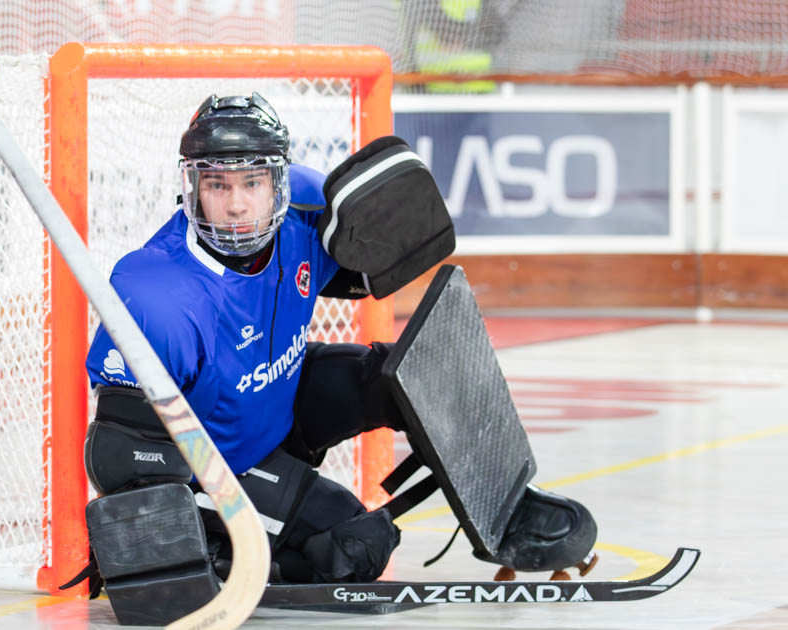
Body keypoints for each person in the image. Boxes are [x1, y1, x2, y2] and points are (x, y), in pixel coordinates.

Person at [76, 93, 596, 624]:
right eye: (217, 185)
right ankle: (231, 554)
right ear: (192, 188)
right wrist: (176, 545)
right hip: (222, 464)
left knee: (411, 376)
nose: (235, 205)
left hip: (277, 403)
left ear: (276, 184)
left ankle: (508, 510)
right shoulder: (157, 292)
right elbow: (118, 457)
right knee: (349, 542)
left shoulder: (303, 212)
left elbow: (368, 267)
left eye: (252, 183)